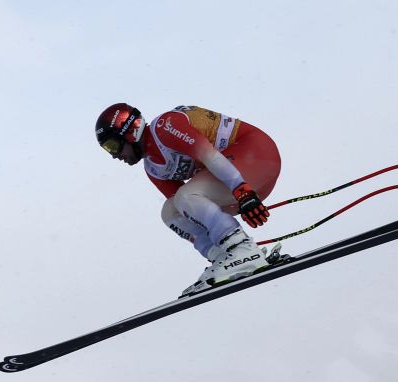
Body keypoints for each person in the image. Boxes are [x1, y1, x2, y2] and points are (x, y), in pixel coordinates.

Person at [94, 103, 282, 296]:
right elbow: (191, 213)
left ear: (130, 131)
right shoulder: (153, 168)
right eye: (108, 150)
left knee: (186, 196)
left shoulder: (165, 126)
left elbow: (211, 157)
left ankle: (242, 248)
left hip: (257, 155)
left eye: (113, 145)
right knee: (171, 211)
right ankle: (225, 256)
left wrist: (243, 192)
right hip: (239, 178)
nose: (114, 156)